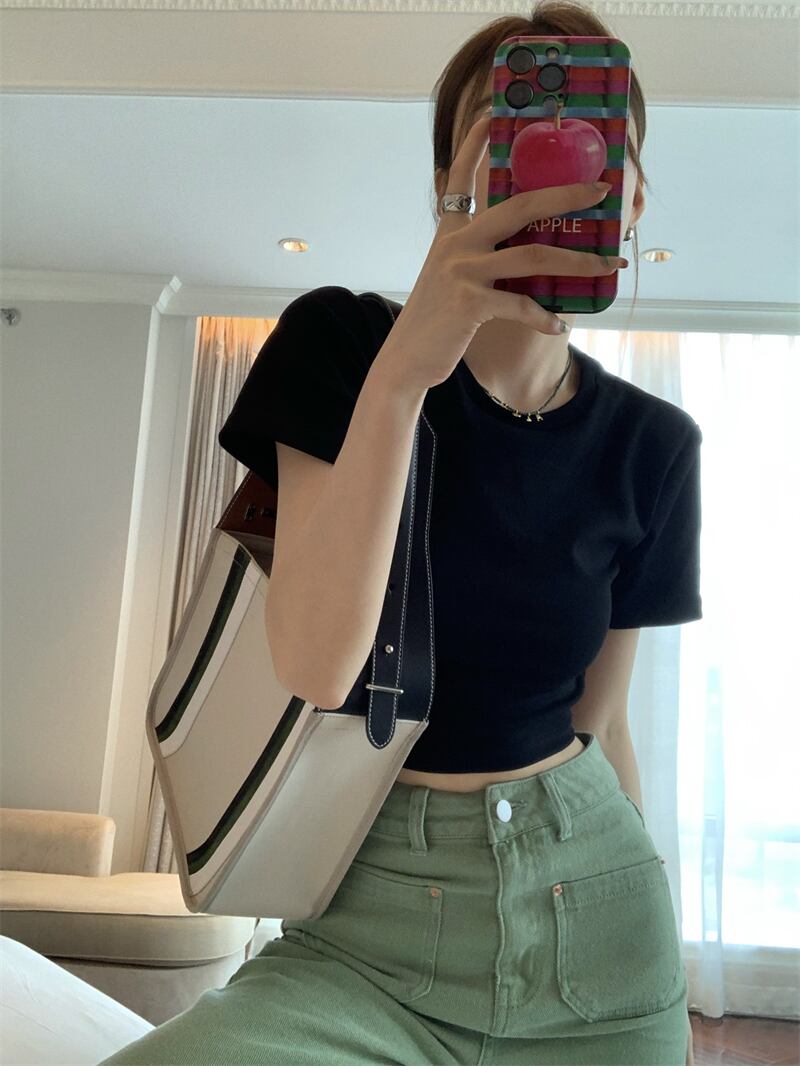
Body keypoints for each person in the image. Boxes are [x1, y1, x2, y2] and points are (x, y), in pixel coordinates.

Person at [99, 2, 700, 1063]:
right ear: (449, 182)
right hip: (366, 938)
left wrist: (650, 901)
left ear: (633, 194)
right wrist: (404, 375)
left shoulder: (652, 444)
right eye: (511, 143)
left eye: (597, 152)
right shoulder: (340, 343)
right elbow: (319, 665)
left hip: (598, 923)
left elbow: (600, 723)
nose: (553, 175)